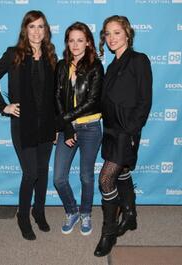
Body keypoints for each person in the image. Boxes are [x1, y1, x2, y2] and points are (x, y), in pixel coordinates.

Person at [0, 10, 57, 240]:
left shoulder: (51, 56)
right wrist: (2, 106)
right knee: (31, 173)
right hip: (22, 124)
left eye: (41, 26)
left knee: (43, 172)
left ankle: (39, 210)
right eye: (32, 26)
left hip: (46, 124)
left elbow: (53, 95)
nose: (36, 31)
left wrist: (56, 126)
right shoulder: (13, 54)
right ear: (25, 30)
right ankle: (23, 216)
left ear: (46, 31)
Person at [94, 15, 152, 257]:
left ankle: (108, 233)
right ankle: (130, 216)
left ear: (127, 34)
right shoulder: (111, 66)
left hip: (125, 131)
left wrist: (131, 131)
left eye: (116, 32)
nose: (112, 38)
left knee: (106, 180)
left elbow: (144, 101)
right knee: (123, 173)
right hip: (109, 130)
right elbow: (104, 102)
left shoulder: (139, 60)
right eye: (107, 34)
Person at [54, 22, 104, 236]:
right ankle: (72, 211)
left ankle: (85, 213)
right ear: (67, 42)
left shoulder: (95, 66)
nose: (75, 44)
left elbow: (93, 101)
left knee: (86, 176)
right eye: (71, 40)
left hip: (91, 127)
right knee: (58, 178)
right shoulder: (61, 65)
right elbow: (56, 96)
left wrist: (64, 118)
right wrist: (66, 126)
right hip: (68, 128)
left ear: (88, 42)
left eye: (80, 40)